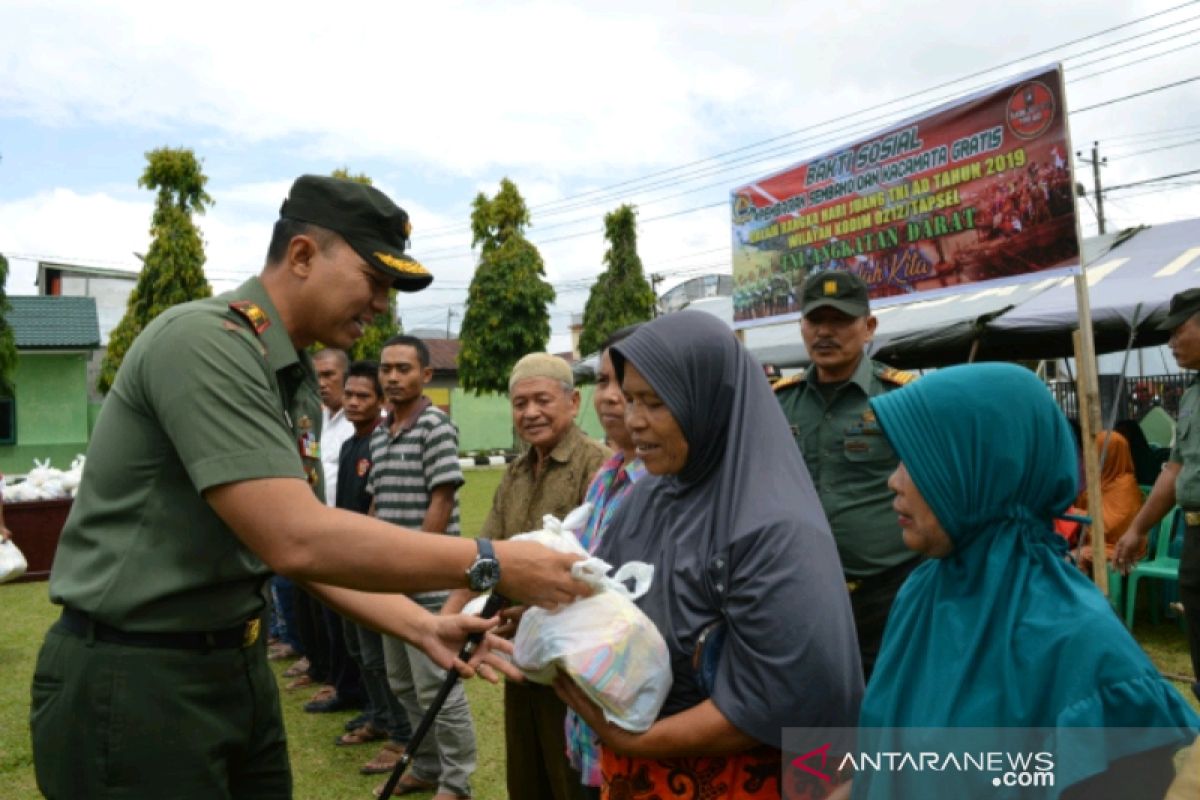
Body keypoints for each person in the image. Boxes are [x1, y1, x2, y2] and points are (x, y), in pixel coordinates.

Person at [29, 174, 590, 799]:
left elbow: (289, 549)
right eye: (373, 280)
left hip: (229, 666)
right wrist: (495, 561)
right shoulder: (206, 343)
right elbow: (297, 539)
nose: (382, 303)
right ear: (301, 256)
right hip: (140, 677)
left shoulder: (283, 373)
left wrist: (419, 624)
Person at [847, 363, 1199, 799]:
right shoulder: (923, 593)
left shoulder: (1081, 647)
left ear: (985, 469)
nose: (893, 481)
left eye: (919, 461)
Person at [555, 310, 863, 799]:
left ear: (708, 403)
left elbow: (781, 693)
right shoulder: (646, 497)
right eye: (630, 398)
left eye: (655, 403)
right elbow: (607, 600)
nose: (633, 420)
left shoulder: (773, 528)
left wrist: (638, 740)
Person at [448, 352, 610, 800]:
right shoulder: (516, 472)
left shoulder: (596, 466)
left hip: (573, 660)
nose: (530, 412)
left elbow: (598, 573)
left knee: (570, 777)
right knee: (527, 771)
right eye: (520, 403)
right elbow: (484, 555)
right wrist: (448, 616)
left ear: (574, 402)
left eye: (542, 400)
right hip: (517, 652)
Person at [773, 269, 918, 681]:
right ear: (801, 326)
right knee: (816, 709)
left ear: (869, 327)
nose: (825, 332)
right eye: (815, 320)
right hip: (804, 593)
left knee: (888, 709)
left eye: (840, 321)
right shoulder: (780, 404)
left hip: (889, 593)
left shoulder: (903, 397)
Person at [368, 334, 478, 800]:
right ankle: (429, 765)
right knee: (402, 682)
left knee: (437, 684)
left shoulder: (436, 426)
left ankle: (457, 782)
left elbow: (442, 500)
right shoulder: (379, 431)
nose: (393, 377)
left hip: (428, 582)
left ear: (426, 375)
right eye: (386, 369)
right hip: (389, 582)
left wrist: (414, 566)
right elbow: (377, 502)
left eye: (403, 369)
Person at [565, 325, 648, 798]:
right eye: (602, 381)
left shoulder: (668, 487)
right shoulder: (607, 475)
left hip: (638, 726)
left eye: (627, 383)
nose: (612, 397)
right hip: (589, 716)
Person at [330, 360, 415, 774]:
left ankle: (400, 735)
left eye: (364, 395)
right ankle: (380, 718)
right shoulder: (350, 445)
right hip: (342, 563)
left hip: (369, 565)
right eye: (349, 394)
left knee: (380, 655)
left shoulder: (378, 444)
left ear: (380, 402)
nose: (353, 402)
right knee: (359, 650)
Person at [1117, 287, 1200, 703]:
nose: (1169, 344)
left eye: (1177, 332)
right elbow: (1174, 469)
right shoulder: (1191, 395)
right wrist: (1137, 529)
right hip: (1195, 537)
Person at [1075, 431, 1145, 574]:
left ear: (1111, 455)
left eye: (1098, 452)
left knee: (1075, 558)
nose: (1092, 458)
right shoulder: (1099, 482)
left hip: (1120, 546)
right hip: (1096, 543)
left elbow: (1111, 526)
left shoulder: (1125, 485)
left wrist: (1078, 514)